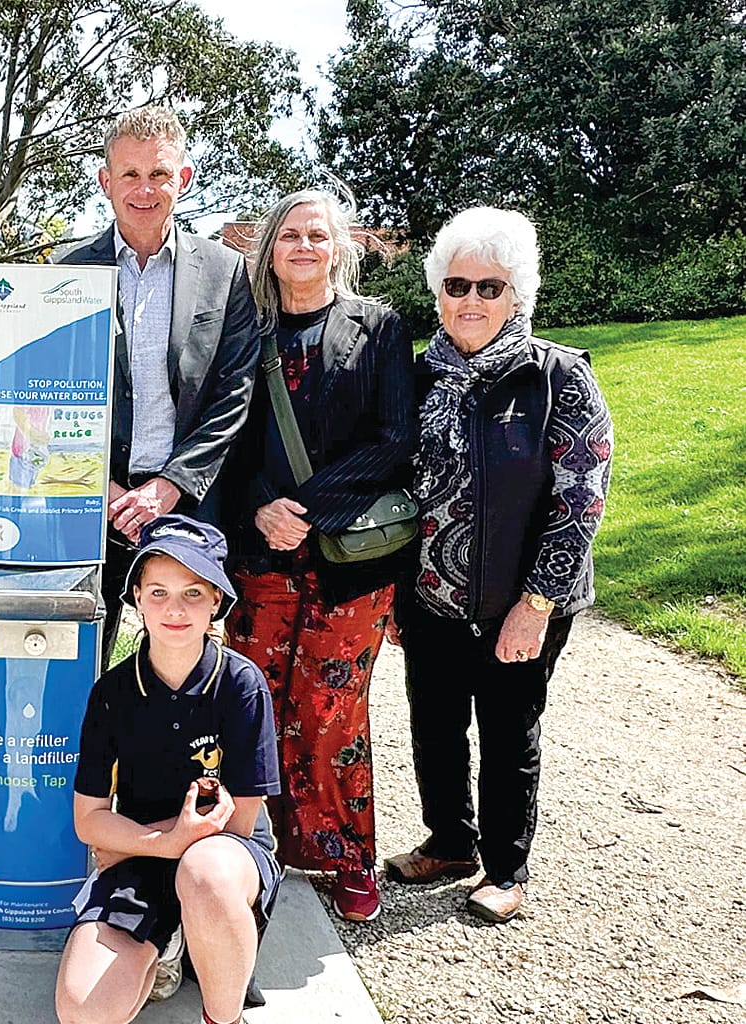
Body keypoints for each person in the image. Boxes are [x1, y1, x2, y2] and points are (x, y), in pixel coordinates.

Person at [384, 207, 613, 923]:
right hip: (430, 594)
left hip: (522, 599)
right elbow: (396, 491)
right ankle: (450, 842)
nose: (472, 301)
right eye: (458, 285)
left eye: (490, 287)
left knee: (510, 729)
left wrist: (536, 604)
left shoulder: (558, 376)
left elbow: (580, 501)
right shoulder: (418, 378)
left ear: (518, 296)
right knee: (435, 722)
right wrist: (396, 592)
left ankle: (507, 867)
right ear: (438, 293)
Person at [219, 190, 415, 923]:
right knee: (256, 702)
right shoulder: (248, 330)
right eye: (289, 235)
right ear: (269, 249)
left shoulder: (380, 328)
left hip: (350, 559)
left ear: (340, 248)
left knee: (331, 711)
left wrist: (305, 508)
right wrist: (259, 509)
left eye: (317, 235)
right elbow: (226, 442)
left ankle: (346, 858)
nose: (303, 246)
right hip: (261, 556)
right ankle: (251, 843)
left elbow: (396, 438)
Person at [55, 515, 282, 1024]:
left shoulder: (241, 684)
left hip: (225, 857)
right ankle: (172, 939)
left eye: (193, 593)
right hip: (153, 853)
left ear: (217, 602)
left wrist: (159, 841)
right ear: (134, 601)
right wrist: (161, 841)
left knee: (204, 872)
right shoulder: (111, 693)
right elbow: (87, 821)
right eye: (157, 591)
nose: (174, 608)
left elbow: (241, 817)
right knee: (83, 1015)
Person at [55, 106, 260, 665]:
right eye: (130, 175)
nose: (144, 189)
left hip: (185, 505)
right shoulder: (64, 271)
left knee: (179, 670)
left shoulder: (226, 272)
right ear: (105, 181)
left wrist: (169, 487)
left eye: (159, 175)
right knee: (80, 664)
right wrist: (102, 486)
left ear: (184, 179)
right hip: (90, 503)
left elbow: (233, 394)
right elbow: (42, 395)